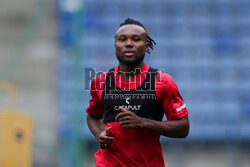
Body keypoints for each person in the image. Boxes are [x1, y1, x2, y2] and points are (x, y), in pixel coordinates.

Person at [86, 18, 189, 167]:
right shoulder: (100, 81)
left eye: (136, 39)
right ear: (115, 45)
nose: (128, 43)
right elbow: (93, 116)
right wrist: (99, 134)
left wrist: (143, 122)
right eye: (122, 39)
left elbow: (183, 128)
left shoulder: (162, 81)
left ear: (146, 46)